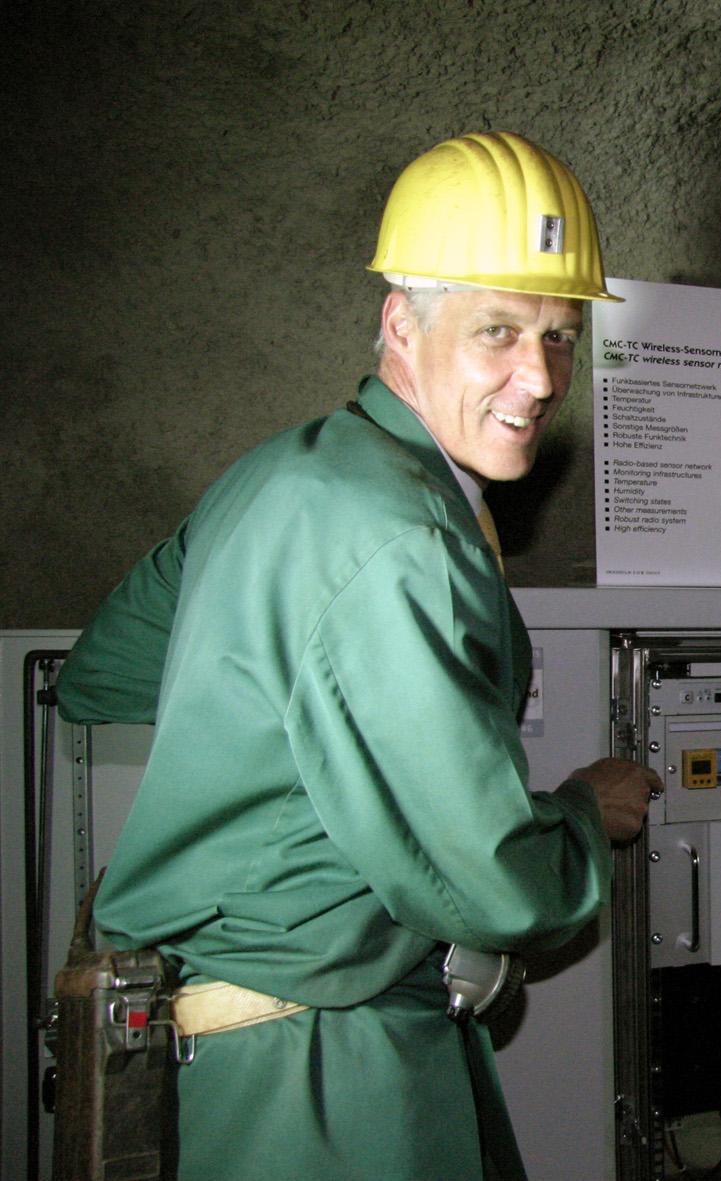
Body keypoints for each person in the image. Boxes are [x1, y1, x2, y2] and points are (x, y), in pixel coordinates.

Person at [55, 131, 657, 1180]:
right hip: (319, 1068)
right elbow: (491, 884)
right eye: (498, 330)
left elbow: (103, 671)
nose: (539, 376)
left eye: (561, 336)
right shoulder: (400, 532)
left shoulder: (281, 473)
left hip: (206, 1050)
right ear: (400, 323)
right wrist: (582, 812)